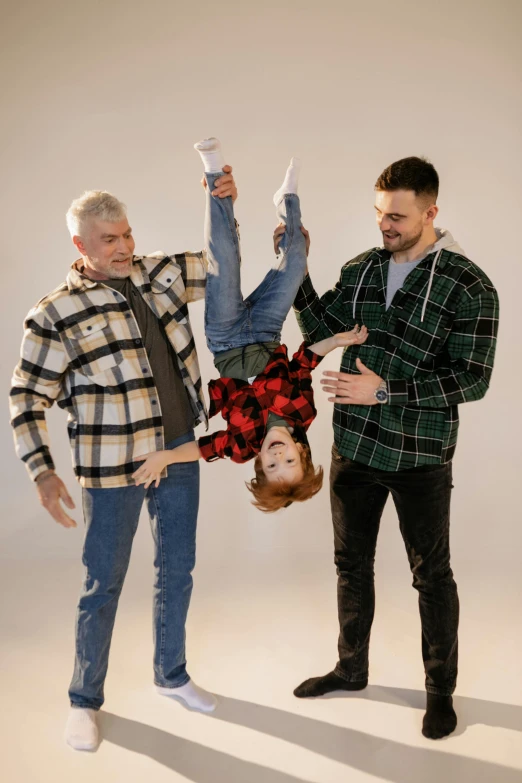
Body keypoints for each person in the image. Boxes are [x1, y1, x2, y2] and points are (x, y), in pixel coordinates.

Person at [9, 167, 237, 751]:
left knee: (176, 570)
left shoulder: (158, 273)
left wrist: (222, 202)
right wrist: (42, 470)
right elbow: (27, 396)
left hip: (180, 454)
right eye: (109, 239)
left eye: (127, 234)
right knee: (103, 584)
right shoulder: (55, 313)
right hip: (114, 469)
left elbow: (219, 262)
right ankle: (84, 701)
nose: (124, 247)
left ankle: (171, 674)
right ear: (80, 245)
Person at [282, 156, 499, 739]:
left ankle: (440, 694)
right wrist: (296, 264)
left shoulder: (469, 284)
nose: (386, 225)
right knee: (350, 564)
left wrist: (385, 392)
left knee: (432, 576)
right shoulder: (360, 270)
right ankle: (351, 669)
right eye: (380, 214)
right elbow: (317, 326)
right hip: (353, 447)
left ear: (431, 212)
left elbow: (474, 378)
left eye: (398, 216)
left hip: (421, 456)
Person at [132, 139, 368, 512]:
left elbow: (202, 447)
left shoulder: (241, 445)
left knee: (223, 258)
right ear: (302, 451)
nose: (278, 456)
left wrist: (166, 457)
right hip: (266, 329)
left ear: (259, 464)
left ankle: (214, 173)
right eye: (288, 461)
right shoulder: (303, 412)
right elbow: (304, 360)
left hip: (225, 336)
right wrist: (337, 341)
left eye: (271, 466)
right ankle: (287, 201)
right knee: (295, 264)